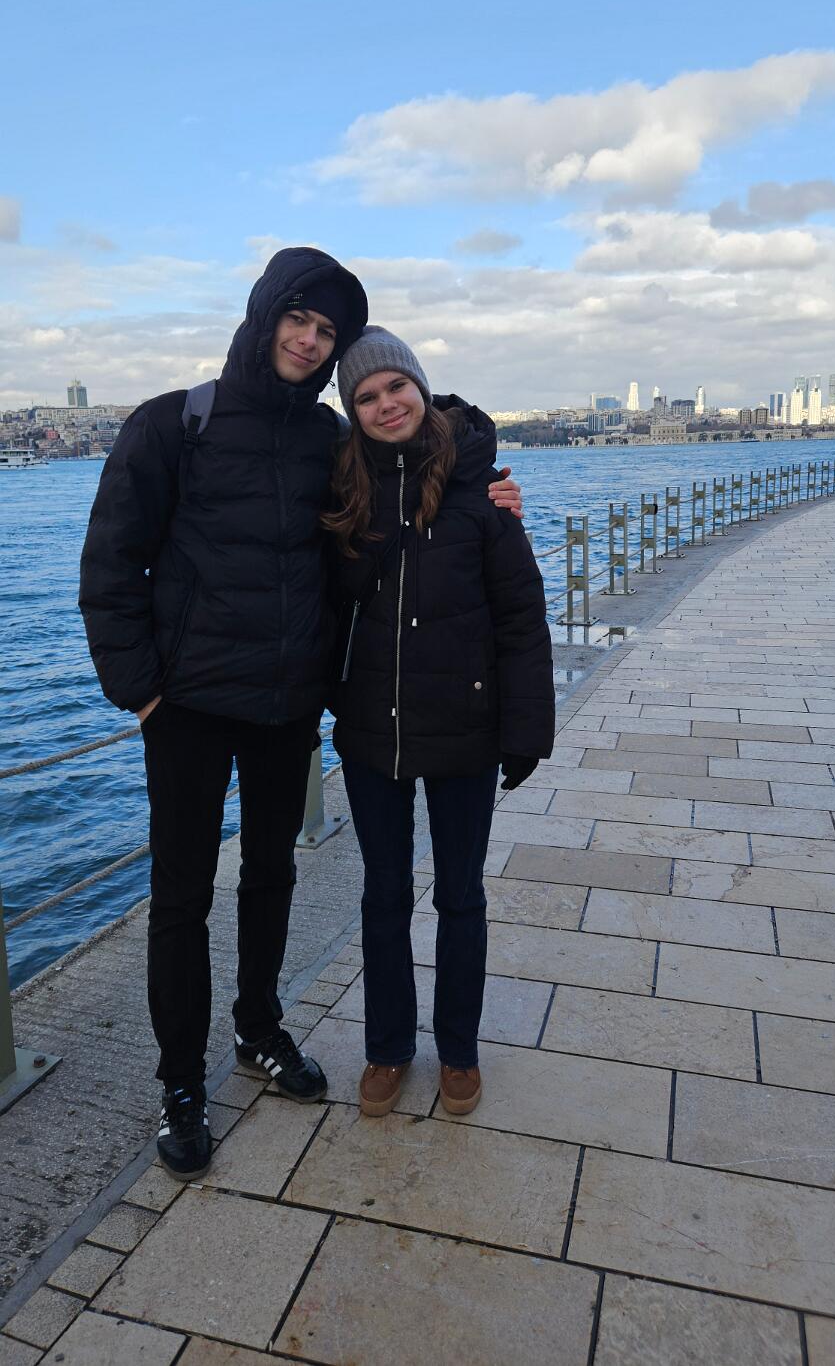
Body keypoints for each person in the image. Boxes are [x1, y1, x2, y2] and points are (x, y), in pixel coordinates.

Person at [79, 248, 522, 1180]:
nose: (310, 340)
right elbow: (112, 563)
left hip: (285, 705)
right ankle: (179, 1082)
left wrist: (486, 486)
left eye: (326, 330)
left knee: (271, 874)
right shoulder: (174, 422)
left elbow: (413, 467)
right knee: (181, 897)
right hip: (188, 705)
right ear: (262, 315)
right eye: (298, 319)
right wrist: (141, 691)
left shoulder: (329, 439)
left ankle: (259, 1029)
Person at [323, 326, 554, 1118]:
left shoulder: (481, 492)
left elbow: (520, 616)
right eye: (366, 396)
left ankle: (458, 1050)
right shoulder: (342, 494)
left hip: (463, 725)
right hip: (371, 730)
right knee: (383, 896)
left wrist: (524, 730)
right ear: (351, 410)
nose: (386, 404)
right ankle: (387, 1048)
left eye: (396, 386)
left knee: (460, 896)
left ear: (420, 388)